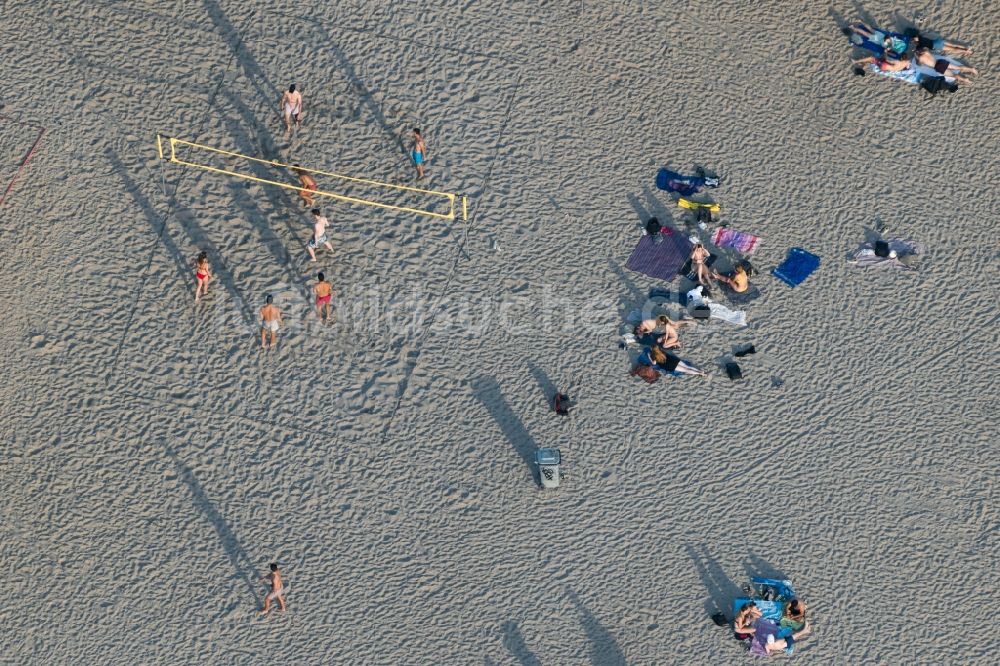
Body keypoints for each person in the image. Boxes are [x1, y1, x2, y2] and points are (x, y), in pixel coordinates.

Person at [639, 345, 706, 377]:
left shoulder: (653, 356)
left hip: (670, 365)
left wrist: (649, 356)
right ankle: (700, 371)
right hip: (673, 360)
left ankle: (699, 373)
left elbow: (653, 363)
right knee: (687, 366)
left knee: (686, 370)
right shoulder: (661, 351)